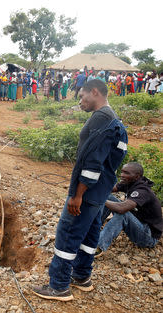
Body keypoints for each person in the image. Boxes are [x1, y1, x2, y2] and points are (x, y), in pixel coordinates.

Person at [32, 79, 128, 301]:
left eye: (82, 96)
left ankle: (58, 286)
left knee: (68, 233)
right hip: (100, 192)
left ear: (95, 92)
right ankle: (82, 276)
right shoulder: (115, 120)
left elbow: (93, 164)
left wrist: (78, 195)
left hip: (88, 193)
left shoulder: (102, 120)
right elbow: (113, 158)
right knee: (90, 233)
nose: (80, 101)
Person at [96, 162, 162, 255]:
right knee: (108, 197)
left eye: (126, 173)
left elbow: (121, 209)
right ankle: (94, 229)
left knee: (122, 214)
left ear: (137, 176)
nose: (122, 175)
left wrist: (100, 199)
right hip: (137, 224)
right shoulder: (129, 182)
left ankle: (98, 246)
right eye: (122, 172)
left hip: (148, 236)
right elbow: (109, 189)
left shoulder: (142, 191)